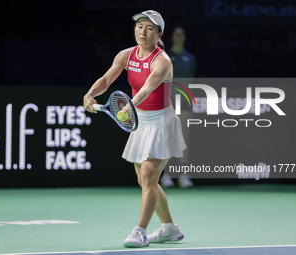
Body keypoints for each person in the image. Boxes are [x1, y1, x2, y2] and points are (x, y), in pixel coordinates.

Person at [84, 10, 186, 248]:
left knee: (149, 176)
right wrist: (89, 94)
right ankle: (170, 228)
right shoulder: (126, 55)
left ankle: (140, 231)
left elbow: (148, 88)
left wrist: (128, 107)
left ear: (159, 34)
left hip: (161, 121)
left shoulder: (162, 61)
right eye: (139, 26)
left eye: (150, 28)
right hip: (140, 121)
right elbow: (106, 80)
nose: (143, 31)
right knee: (144, 179)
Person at [161, 26, 197, 188]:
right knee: (168, 137)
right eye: (177, 34)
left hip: (185, 103)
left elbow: (191, 81)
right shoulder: (166, 57)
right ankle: (166, 174)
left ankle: (183, 175)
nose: (180, 37)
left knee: (185, 138)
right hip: (168, 102)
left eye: (182, 34)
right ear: (172, 38)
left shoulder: (190, 58)